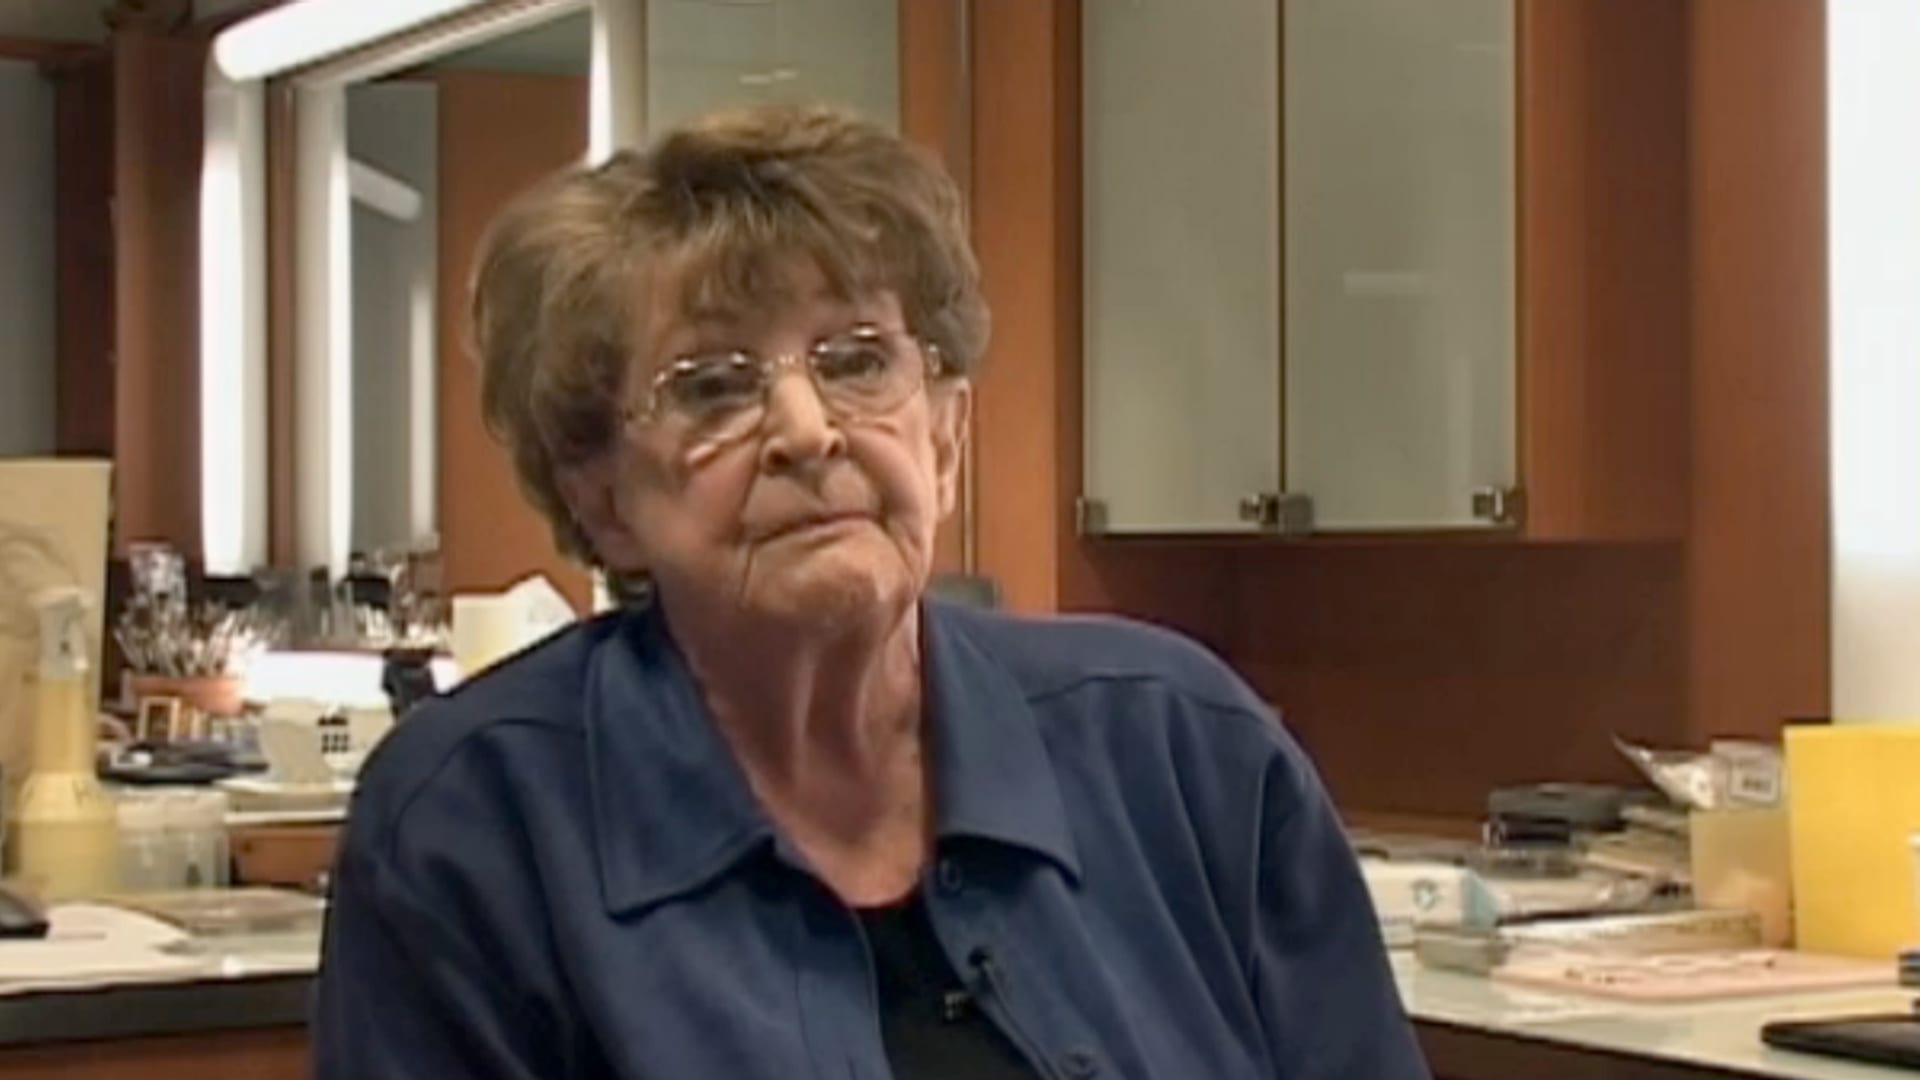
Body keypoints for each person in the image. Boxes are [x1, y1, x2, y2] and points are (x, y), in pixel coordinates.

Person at [312, 103, 1426, 1080]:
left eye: (854, 361)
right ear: (602, 501)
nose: (807, 431)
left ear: (944, 437)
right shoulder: (475, 827)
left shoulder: (1185, 752)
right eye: (712, 387)